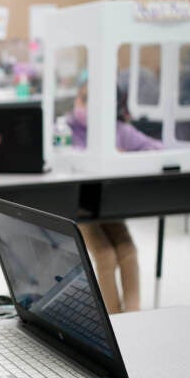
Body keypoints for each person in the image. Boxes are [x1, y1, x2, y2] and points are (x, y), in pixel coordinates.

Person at [67, 83, 162, 313]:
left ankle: (133, 315)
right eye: (83, 99)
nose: (86, 106)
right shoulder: (66, 128)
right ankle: (113, 318)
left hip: (109, 206)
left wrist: (124, 158)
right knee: (105, 254)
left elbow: (157, 149)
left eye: (94, 101)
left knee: (128, 251)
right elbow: (66, 158)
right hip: (79, 207)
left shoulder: (119, 130)